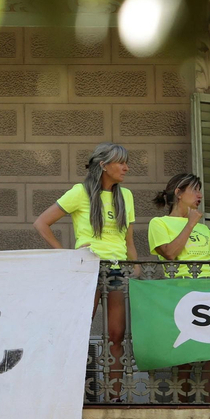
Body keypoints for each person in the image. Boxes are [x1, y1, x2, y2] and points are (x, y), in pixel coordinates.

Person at [34, 143, 139, 369]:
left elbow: (128, 239)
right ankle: (75, 394)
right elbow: (42, 223)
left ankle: (116, 397)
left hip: (117, 269)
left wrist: (136, 266)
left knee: (117, 335)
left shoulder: (126, 196)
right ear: (103, 165)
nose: (126, 168)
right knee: (79, 331)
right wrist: (66, 255)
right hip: (87, 267)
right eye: (120, 162)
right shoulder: (80, 192)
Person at [147, 172, 210, 277]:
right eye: (195, 190)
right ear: (178, 193)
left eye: (199, 190)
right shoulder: (159, 223)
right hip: (182, 286)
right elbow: (170, 254)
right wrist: (190, 224)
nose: (200, 195)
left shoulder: (203, 228)